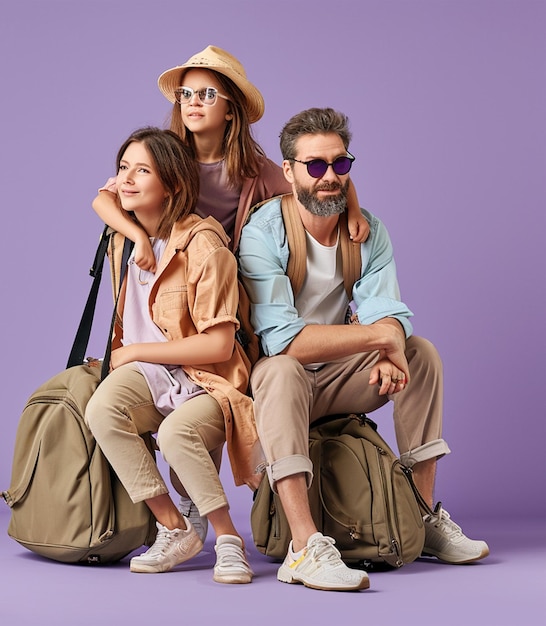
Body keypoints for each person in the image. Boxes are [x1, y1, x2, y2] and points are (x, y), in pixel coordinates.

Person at [91, 45, 371, 542]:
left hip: (229, 293)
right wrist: (136, 237)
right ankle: (188, 514)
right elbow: (105, 197)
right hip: (172, 290)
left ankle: (244, 518)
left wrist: (351, 205)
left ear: (231, 108)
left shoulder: (257, 171)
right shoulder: (160, 156)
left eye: (206, 93)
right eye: (185, 94)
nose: (193, 102)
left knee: (211, 405)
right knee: (151, 407)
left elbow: (315, 179)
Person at [238, 107, 490, 592]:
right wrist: (381, 337)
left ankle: (420, 518)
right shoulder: (263, 233)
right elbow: (285, 340)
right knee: (281, 369)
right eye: (314, 165)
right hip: (276, 394)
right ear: (288, 171)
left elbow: (389, 311)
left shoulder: (368, 231)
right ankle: (303, 548)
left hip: (341, 379)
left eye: (340, 164)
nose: (329, 177)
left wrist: (391, 343)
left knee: (422, 353)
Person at [84, 127, 255, 584]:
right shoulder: (124, 237)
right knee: (102, 408)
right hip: (149, 373)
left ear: (173, 184)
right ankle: (174, 527)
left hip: (206, 377)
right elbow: (102, 199)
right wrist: (138, 238)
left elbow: (219, 345)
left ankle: (227, 540)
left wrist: (136, 349)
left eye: (143, 170)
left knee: (180, 432)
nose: (127, 179)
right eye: (123, 168)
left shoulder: (204, 245)